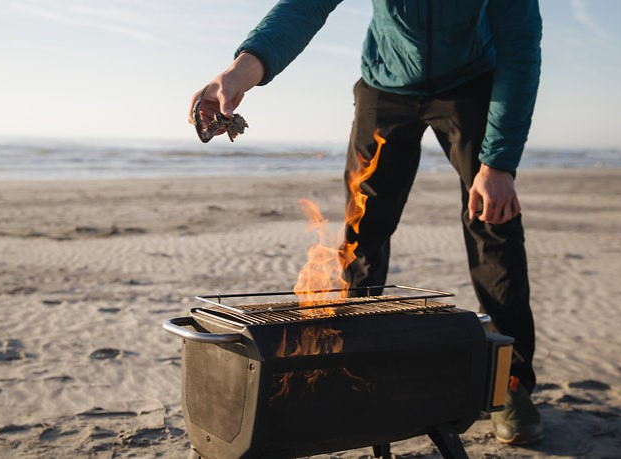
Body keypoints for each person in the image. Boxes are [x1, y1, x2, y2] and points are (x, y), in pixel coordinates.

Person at [188, 0, 543, 446]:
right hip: (387, 85)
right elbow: (305, 7)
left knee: (494, 220)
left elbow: (521, 46)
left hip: (472, 82)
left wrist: (499, 163)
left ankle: (511, 383)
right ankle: (350, 367)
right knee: (361, 234)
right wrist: (242, 71)